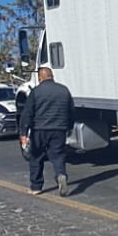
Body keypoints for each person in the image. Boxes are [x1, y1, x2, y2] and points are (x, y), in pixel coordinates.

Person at [19, 67, 73, 196]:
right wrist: (69, 127)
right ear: (52, 76)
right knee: (58, 155)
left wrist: (23, 133)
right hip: (59, 128)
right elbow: (71, 111)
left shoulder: (36, 92)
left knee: (36, 157)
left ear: (40, 78)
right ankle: (61, 174)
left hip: (39, 129)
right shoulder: (63, 90)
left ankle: (36, 187)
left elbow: (27, 113)